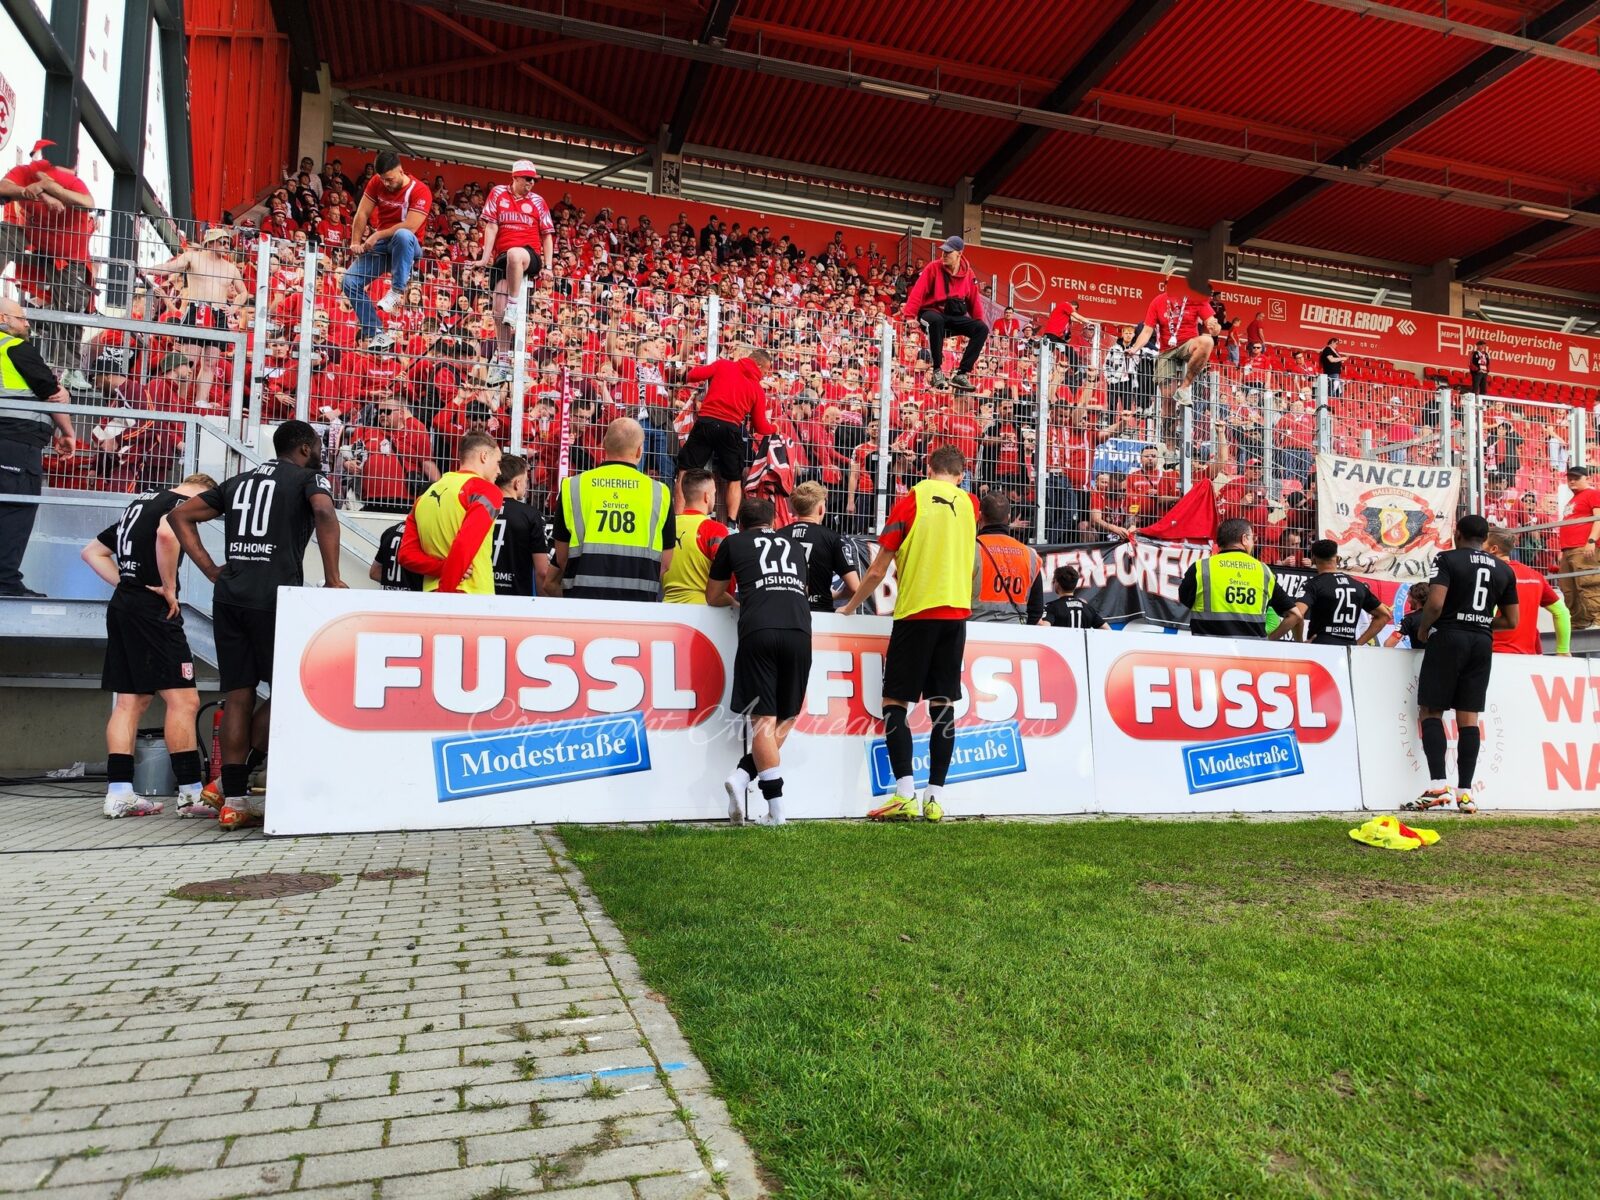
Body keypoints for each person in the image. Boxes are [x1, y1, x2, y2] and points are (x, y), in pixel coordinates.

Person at [169, 420, 345, 830]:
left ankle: (231, 795)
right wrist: (334, 577)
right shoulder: (308, 477)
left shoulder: (239, 481)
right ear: (303, 448)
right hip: (273, 597)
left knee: (239, 692)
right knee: (293, 691)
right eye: (317, 445)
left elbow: (181, 516)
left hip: (229, 596)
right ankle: (237, 781)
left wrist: (211, 568)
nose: (319, 452)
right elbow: (323, 510)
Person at [841, 445, 980, 823]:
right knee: (942, 706)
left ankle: (904, 793)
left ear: (927, 468)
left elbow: (876, 570)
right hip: (955, 615)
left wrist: (850, 607)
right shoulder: (970, 505)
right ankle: (934, 799)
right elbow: (969, 567)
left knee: (895, 703)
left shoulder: (912, 499)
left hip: (917, 613)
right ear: (961, 474)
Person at [79, 473, 218, 818]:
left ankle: (120, 792)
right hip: (154, 609)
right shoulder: (181, 505)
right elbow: (167, 535)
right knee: (184, 699)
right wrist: (168, 586)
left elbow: (92, 552)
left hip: (125, 604)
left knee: (130, 701)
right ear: (204, 493)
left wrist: (129, 584)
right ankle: (190, 794)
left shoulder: (140, 503)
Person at [707, 497, 813, 826]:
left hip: (759, 629)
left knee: (764, 721)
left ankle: (767, 801)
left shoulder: (733, 542)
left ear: (740, 522)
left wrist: (743, 603)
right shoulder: (794, 546)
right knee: (788, 716)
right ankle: (746, 779)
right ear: (774, 521)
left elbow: (713, 594)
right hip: (799, 629)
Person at [1405, 514, 1518, 814]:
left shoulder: (1446, 559)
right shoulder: (1505, 569)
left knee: (1431, 710)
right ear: (1485, 540)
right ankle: (1465, 793)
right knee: (1469, 718)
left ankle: (1437, 787)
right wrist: (1480, 621)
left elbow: (1436, 602)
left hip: (1449, 637)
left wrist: (1423, 628)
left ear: (1457, 533)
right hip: (1482, 642)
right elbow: (1512, 620)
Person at [0, 140, 96, 385]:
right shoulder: (24, 173)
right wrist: (37, 191)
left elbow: (88, 202)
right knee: (4, 233)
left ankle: (69, 367)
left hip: (68, 256)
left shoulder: (70, 181)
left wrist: (52, 190)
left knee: (73, 306)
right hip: (36, 244)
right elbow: (3, 188)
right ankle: (38, 320)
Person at [0, 297, 77, 597]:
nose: (27, 323)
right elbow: (52, 394)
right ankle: (5, 583)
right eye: (21, 318)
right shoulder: (14, 348)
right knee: (16, 510)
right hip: (15, 444)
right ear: (4, 318)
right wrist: (68, 432)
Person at [550, 417, 675, 601]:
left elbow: (561, 558)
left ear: (604, 445)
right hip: (638, 603)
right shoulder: (659, 492)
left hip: (584, 599)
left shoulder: (572, 486)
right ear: (640, 450)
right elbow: (665, 564)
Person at [143, 228, 247, 413]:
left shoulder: (230, 267)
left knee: (210, 363)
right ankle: (179, 401)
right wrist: (146, 269)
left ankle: (201, 401)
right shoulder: (193, 257)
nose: (226, 246)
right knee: (188, 361)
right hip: (196, 308)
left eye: (227, 243)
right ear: (211, 242)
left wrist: (234, 307)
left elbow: (243, 292)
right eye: (222, 242)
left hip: (218, 313)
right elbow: (169, 267)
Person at [343, 150, 431, 350]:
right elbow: (363, 212)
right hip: (384, 246)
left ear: (401, 171)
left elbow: (409, 226)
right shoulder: (376, 182)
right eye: (383, 180)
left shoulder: (420, 190)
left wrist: (376, 235)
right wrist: (355, 241)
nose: (387, 184)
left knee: (402, 235)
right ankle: (377, 334)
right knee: (349, 281)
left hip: (408, 246)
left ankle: (397, 291)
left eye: (390, 179)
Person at [397, 432, 504, 594]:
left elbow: (406, 555)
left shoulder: (425, 496)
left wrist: (441, 568)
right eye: (498, 462)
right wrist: (446, 595)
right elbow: (464, 544)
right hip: (469, 596)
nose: (499, 471)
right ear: (484, 456)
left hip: (432, 593)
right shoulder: (485, 490)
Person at [479, 160, 555, 385]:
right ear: (515, 177)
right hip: (502, 257)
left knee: (515, 255)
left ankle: (514, 304)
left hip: (528, 255)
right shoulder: (498, 194)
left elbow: (547, 235)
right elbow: (491, 226)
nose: (531, 183)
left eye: (534, 180)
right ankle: (502, 360)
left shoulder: (538, 201)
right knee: (497, 310)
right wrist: (485, 257)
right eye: (527, 179)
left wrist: (549, 266)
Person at [677, 348, 773, 522]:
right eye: (765, 372)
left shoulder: (723, 365)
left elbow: (693, 375)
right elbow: (761, 426)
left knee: (685, 470)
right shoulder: (757, 390)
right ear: (758, 365)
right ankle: (731, 523)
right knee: (734, 479)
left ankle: (679, 517)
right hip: (731, 429)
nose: (765, 376)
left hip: (706, 422)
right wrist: (774, 428)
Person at [1177, 518, 1302, 639]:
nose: (1254, 543)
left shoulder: (1201, 568)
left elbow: (1184, 600)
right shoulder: (1264, 571)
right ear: (1244, 539)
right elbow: (1295, 615)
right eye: (1252, 538)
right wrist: (1269, 640)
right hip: (1249, 654)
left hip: (1208, 653)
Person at [902, 236, 986, 393]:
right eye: (943, 251)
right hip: (930, 312)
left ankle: (961, 374)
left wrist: (977, 322)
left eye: (948, 252)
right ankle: (937, 371)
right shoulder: (933, 267)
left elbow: (975, 301)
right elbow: (917, 292)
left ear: (959, 253)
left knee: (981, 328)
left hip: (953, 315)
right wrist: (910, 316)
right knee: (936, 320)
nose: (944, 255)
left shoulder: (968, 273)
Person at [1485, 527, 1570, 656]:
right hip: (1528, 657)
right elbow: (1561, 612)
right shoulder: (1535, 575)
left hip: (1494, 653)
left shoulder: (1487, 574)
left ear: (1493, 549)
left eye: (1481, 543)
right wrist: (1563, 651)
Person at [1290, 539, 1392, 646]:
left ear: (1314, 559)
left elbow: (1297, 615)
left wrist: (1299, 644)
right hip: (1348, 650)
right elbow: (1384, 615)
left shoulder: (1313, 584)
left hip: (1320, 646)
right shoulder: (1358, 586)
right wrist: (1358, 643)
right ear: (1337, 558)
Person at [779, 479, 860, 613]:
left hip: (785, 612)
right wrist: (835, 596)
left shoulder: (778, 536)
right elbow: (855, 587)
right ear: (821, 509)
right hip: (820, 613)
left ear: (794, 508)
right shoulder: (832, 539)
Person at [972, 491, 1044, 624]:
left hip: (975, 629)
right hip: (1016, 632)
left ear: (979, 516)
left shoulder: (970, 549)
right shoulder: (1030, 555)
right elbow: (1036, 608)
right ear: (1009, 517)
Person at [662, 468, 730, 605]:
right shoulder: (714, 529)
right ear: (707, 497)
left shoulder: (666, 526)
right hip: (703, 612)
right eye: (714, 493)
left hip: (667, 608)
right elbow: (727, 574)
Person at [491, 453, 551, 598]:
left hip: (484, 592)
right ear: (517, 483)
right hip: (517, 598)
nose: (526, 486)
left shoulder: (482, 508)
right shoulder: (530, 515)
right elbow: (542, 571)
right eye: (526, 480)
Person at [1555, 464, 1600, 628]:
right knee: (1569, 590)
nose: (1571, 481)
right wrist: (1563, 550)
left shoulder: (1593, 494)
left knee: (1589, 584)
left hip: (1583, 548)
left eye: (1576, 478)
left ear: (1587, 478)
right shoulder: (1574, 499)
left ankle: (1598, 621)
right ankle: (1579, 623)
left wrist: (1591, 541)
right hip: (1569, 549)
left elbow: (1598, 518)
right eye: (1569, 478)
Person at [1042, 564, 1106, 630]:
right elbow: (1108, 630)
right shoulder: (1088, 608)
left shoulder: (1051, 607)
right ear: (1075, 585)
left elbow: (1043, 630)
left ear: (1057, 583)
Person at [371, 520, 422, 591]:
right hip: (414, 598)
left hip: (389, 597)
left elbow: (374, 572)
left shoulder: (389, 532)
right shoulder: (424, 535)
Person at [1383, 582, 1430, 649]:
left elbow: (1388, 644)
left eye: (1409, 596)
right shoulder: (1441, 616)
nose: (1408, 600)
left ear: (1415, 599)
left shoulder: (1409, 619)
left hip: (1421, 658)